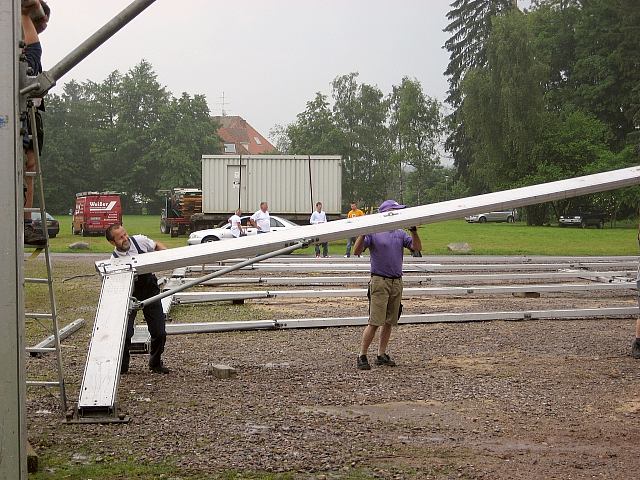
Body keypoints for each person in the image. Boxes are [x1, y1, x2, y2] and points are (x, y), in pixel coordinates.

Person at [353, 200, 422, 370]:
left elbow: (417, 248)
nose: (399, 214)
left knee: (390, 321)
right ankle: (362, 355)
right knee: (375, 321)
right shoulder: (374, 232)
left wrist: (413, 231)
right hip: (379, 281)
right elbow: (356, 251)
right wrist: (363, 233)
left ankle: (381, 354)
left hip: (396, 281)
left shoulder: (400, 233)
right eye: (396, 211)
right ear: (387, 213)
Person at [106, 223, 170, 374]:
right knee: (125, 333)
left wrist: (167, 255)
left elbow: (156, 246)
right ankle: (122, 367)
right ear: (112, 242)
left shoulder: (140, 241)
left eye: (125, 234)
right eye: (120, 238)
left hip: (149, 289)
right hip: (128, 293)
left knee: (159, 332)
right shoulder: (114, 261)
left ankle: (155, 363)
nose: (125, 238)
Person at [21, 0, 50, 246]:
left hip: (28, 117)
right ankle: (25, 222)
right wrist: (24, 11)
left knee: (29, 167)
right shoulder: (23, 50)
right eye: (40, 20)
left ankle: (26, 221)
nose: (44, 25)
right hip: (21, 117)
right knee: (26, 166)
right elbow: (33, 50)